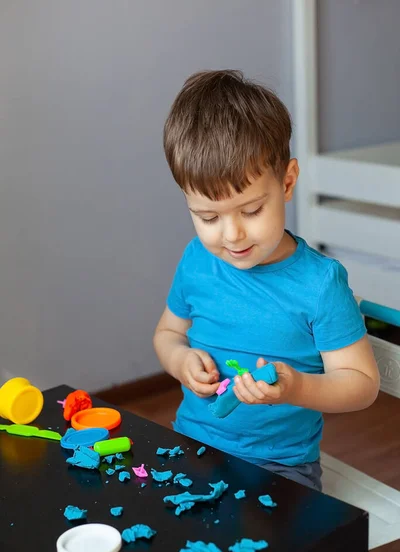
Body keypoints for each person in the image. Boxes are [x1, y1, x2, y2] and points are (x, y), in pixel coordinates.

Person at [153, 70, 380, 491]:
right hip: (191, 445)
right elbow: (167, 333)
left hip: (279, 468)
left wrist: (295, 387)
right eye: (208, 217)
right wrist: (180, 361)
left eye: (252, 210)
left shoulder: (320, 284)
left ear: (287, 182)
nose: (232, 234)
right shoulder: (197, 261)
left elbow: (362, 385)